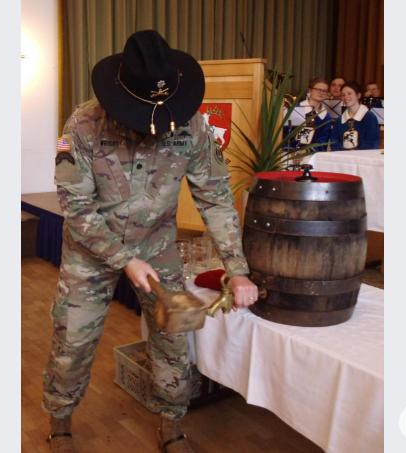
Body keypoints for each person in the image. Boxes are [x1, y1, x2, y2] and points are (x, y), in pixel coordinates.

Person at [42, 30, 259, 453]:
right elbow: (76, 206)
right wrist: (123, 258)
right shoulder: (81, 127)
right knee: (72, 343)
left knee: (174, 342)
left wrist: (237, 269)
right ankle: (60, 421)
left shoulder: (192, 124)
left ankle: (172, 424)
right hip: (90, 254)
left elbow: (214, 196)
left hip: (157, 249)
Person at [283, 78, 336, 152]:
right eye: (318, 89)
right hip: (290, 154)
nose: (321, 93)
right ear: (310, 90)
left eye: (324, 91)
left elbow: (322, 141)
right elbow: (286, 135)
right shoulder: (296, 110)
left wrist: (307, 151)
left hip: (312, 156)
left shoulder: (326, 117)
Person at [332, 80, 381, 150]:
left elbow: (371, 144)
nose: (346, 97)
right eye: (343, 95)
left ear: (358, 95)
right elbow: (334, 143)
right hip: (342, 158)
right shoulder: (339, 120)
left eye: (349, 93)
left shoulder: (369, 117)